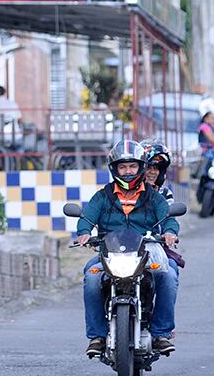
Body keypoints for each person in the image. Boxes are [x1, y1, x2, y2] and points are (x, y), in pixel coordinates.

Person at [75, 140, 180, 358]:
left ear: (140, 167)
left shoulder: (153, 196)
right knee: (91, 277)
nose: (128, 171)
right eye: (123, 167)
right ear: (114, 169)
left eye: (132, 166)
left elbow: (168, 218)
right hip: (109, 252)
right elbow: (86, 218)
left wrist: (170, 232)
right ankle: (97, 337)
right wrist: (84, 232)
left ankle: (161, 333)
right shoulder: (103, 196)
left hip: (147, 250)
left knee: (169, 273)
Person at [140, 139, 175, 203]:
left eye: (156, 168)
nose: (152, 172)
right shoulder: (129, 193)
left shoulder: (165, 194)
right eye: (148, 167)